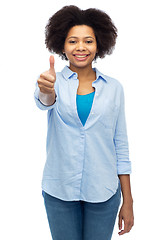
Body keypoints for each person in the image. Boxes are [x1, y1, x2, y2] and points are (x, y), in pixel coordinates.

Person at [34, 5, 134, 240]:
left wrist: (128, 200)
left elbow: (120, 145)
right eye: (72, 41)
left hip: (104, 192)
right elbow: (46, 101)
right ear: (62, 45)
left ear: (99, 44)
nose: (80, 47)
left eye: (88, 41)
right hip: (59, 190)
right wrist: (46, 89)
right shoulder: (51, 82)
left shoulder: (114, 88)